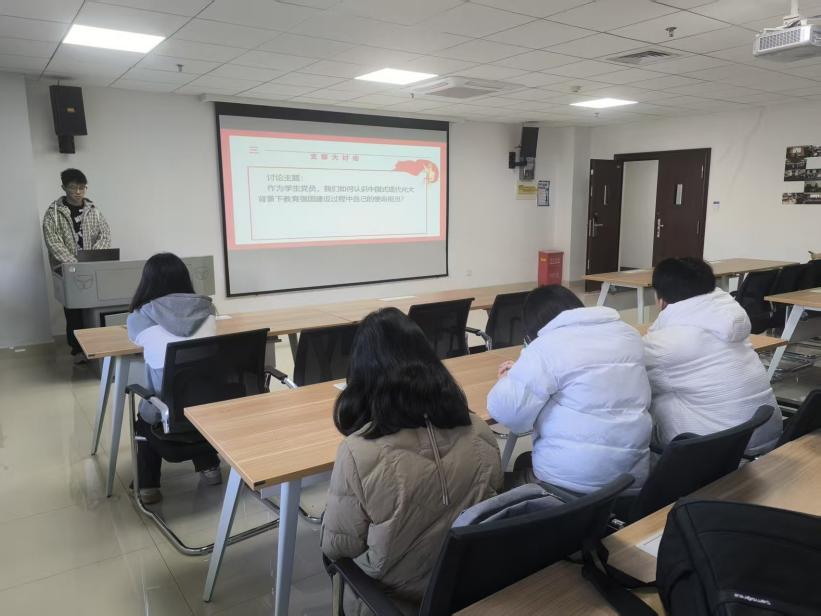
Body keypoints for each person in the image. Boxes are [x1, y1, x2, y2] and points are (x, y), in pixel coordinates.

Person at [320, 308, 503, 616]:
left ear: (362, 375)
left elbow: (337, 548)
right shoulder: (479, 429)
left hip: (392, 600)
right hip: (468, 586)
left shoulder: (357, 452)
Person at [487, 285, 652, 496]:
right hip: (631, 478)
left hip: (573, 484)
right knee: (524, 459)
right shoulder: (629, 335)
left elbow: (508, 414)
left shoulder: (546, 347)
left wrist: (508, 380)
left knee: (498, 481)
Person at [643, 257, 782, 455]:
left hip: (715, 449)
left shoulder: (662, 345)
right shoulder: (729, 322)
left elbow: (636, 388)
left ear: (660, 298)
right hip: (762, 435)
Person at [126, 253, 220, 504]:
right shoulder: (208, 311)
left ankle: (148, 485)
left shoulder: (139, 318)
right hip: (209, 409)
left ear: (147, 283)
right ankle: (210, 467)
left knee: (146, 413)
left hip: (169, 415)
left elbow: (135, 340)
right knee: (193, 390)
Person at [42, 168, 111, 361]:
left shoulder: (93, 210)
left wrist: (91, 259)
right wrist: (75, 264)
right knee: (73, 310)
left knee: (93, 307)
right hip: (68, 270)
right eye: (73, 187)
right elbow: (53, 242)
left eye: (82, 187)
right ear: (64, 187)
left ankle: (96, 346)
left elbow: (105, 235)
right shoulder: (54, 213)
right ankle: (77, 350)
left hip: (91, 267)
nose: (78, 192)